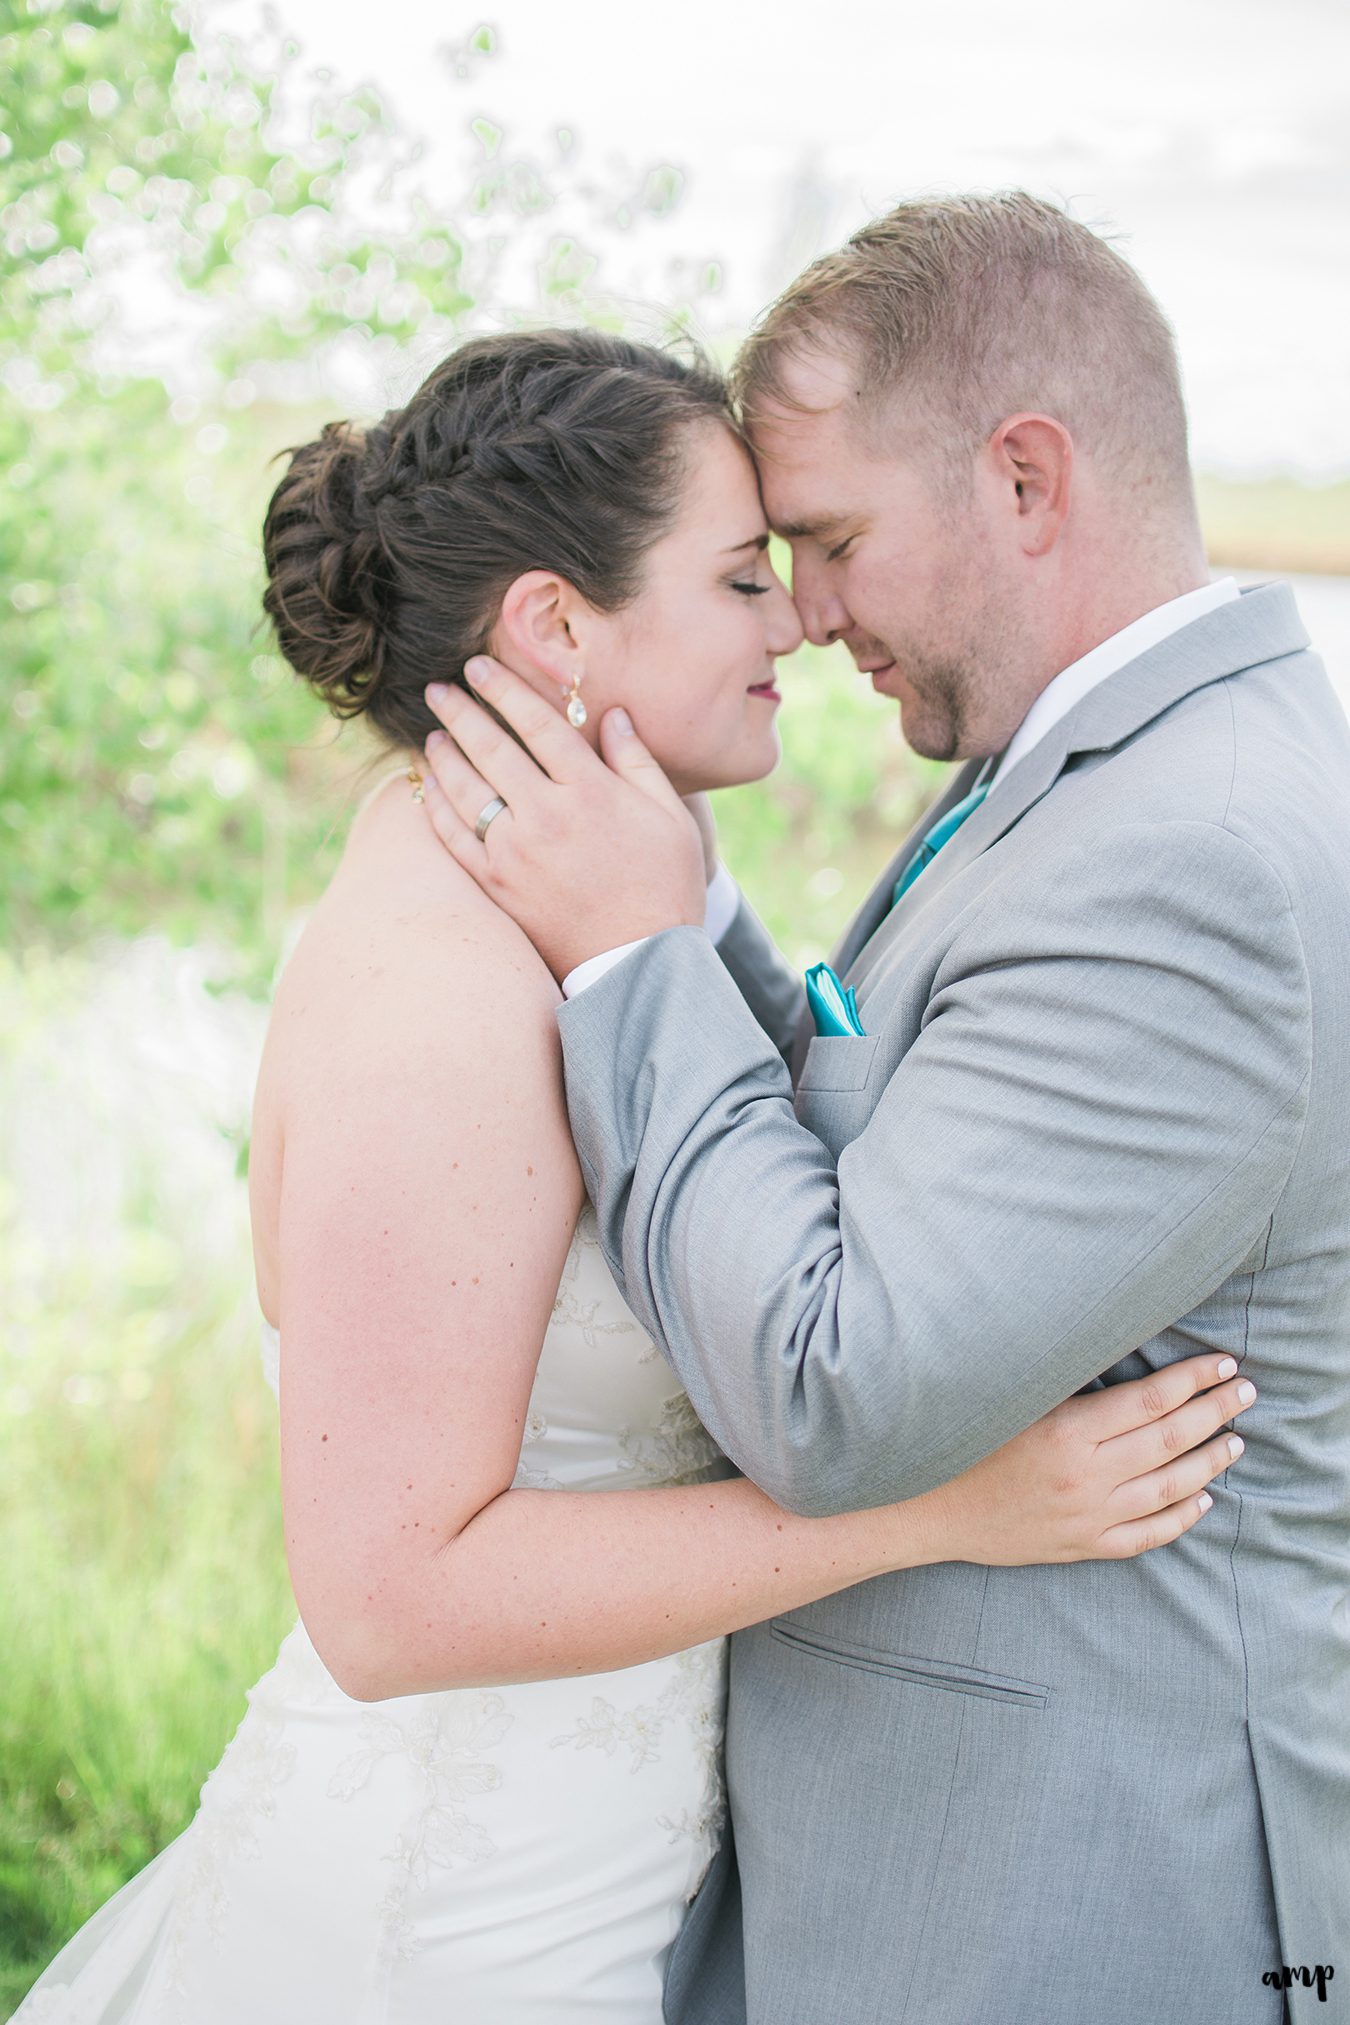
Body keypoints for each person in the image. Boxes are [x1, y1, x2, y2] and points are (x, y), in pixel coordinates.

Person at [13, 329, 1251, 2025]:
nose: (795, 622)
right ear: (552, 627)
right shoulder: (439, 990)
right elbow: (387, 1595)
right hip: (434, 1937)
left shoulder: (568, 929)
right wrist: (940, 1509)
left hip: (582, 1902)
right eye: (742, 577)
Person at [417, 199, 1350, 2025]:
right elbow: (882, 1122)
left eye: (831, 541)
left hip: (1074, 1902)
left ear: (1021, 479)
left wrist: (627, 956)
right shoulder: (1088, 774)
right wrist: (677, 901)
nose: (810, 608)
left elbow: (840, 1383)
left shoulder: (1197, 856)